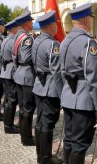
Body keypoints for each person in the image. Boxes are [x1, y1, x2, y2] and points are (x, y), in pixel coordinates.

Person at [60, 3, 97, 164]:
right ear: (87, 20)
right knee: (79, 144)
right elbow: (93, 78)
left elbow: (61, 71)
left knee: (69, 139)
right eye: (91, 19)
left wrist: (64, 94)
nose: (92, 22)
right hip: (83, 100)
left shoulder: (65, 40)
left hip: (68, 96)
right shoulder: (88, 42)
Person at [32, 11, 63, 164]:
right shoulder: (52, 44)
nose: (57, 27)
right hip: (50, 88)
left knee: (40, 122)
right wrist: (63, 94)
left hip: (38, 85)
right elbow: (56, 72)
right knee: (48, 123)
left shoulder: (36, 41)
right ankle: (45, 158)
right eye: (56, 24)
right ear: (51, 26)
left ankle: (41, 155)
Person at [13, 11, 36, 146]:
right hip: (27, 75)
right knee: (27, 108)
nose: (32, 23)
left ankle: (23, 132)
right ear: (27, 23)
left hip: (20, 74)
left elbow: (14, 55)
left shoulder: (17, 36)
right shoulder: (27, 38)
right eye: (31, 22)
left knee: (22, 107)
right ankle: (27, 138)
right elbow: (27, 58)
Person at [0, 20, 20, 133]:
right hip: (11, 72)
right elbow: (16, 58)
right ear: (14, 29)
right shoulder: (13, 41)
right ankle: (9, 126)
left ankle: (7, 124)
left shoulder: (5, 39)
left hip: (5, 70)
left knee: (8, 99)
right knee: (12, 100)